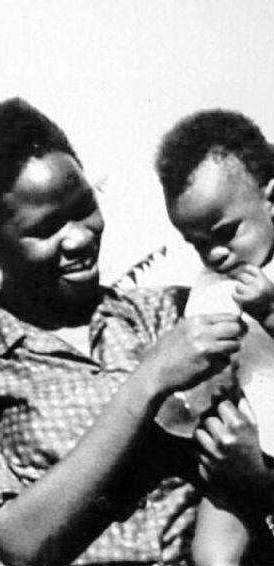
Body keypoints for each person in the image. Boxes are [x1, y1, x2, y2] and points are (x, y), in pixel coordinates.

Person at [0, 98, 246, 566]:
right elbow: (16, 542)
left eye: (83, 208)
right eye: (46, 228)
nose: (79, 238)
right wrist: (146, 383)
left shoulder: (171, 314)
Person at [155, 109, 274, 566]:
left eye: (226, 234)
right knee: (210, 553)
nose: (215, 253)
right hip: (237, 435)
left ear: (270, 199)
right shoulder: (212, 282)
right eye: (197, 242)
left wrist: (270, 308)